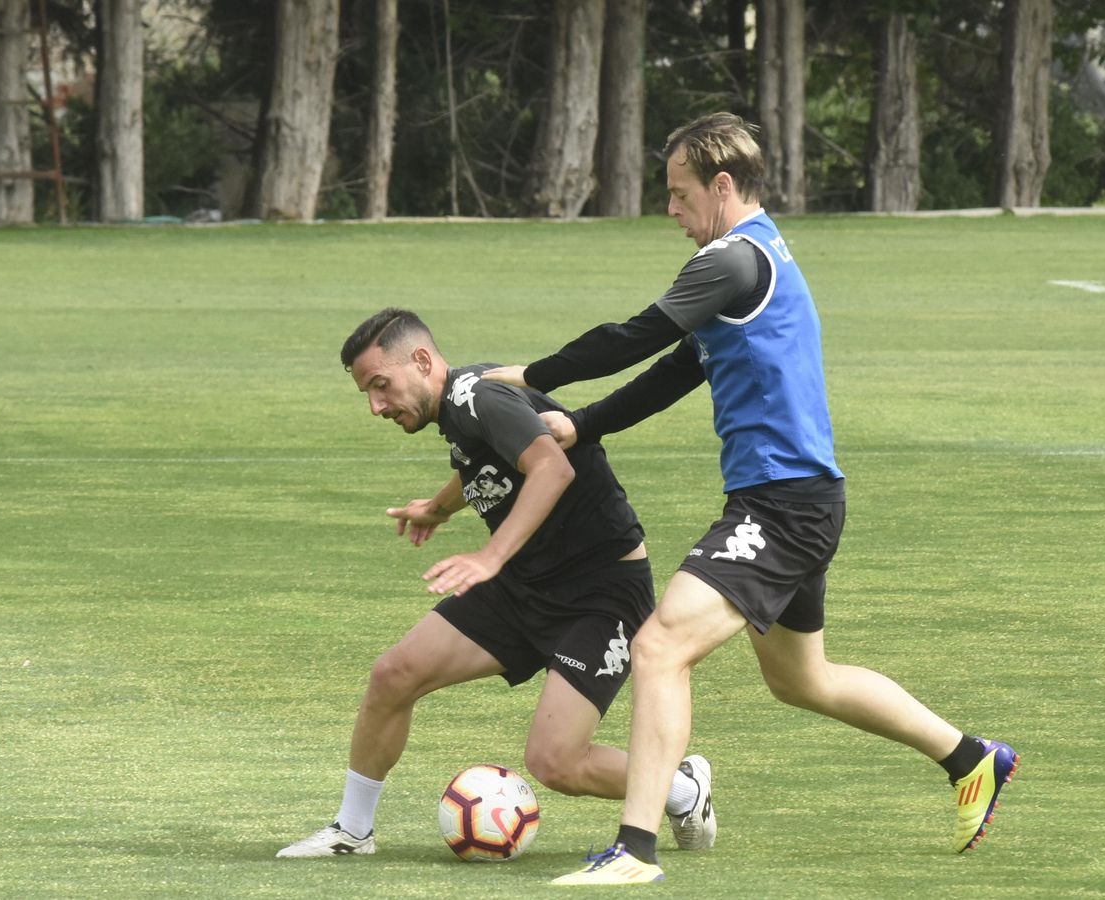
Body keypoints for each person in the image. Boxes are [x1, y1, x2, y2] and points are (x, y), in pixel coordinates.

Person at [480, 113, 1018, 886]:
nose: (670, 210)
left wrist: (533, 378)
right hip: (798, 500)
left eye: (678, 193)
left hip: (781, 507)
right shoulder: (751, 262)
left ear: (722, 187)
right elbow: (674, 370)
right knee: (802, 679)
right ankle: (973, 760)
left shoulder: (730, 261)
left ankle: (634, 849)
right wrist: (583, 425)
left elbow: (631, 336)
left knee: (660, 646)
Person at [275, 308, 718, 859]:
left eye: (380, 386)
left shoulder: (478, 396)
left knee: (556, 761)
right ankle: (352, 830)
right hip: (523, 586)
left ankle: (682, 788)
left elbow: (552, 467)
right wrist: (437, 508)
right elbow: (484, 465)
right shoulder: (460, 413)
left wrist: (490, 554)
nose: (377, 406)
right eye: (368, 392)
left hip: (599, 597)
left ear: (420, 360)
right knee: (395, 673)